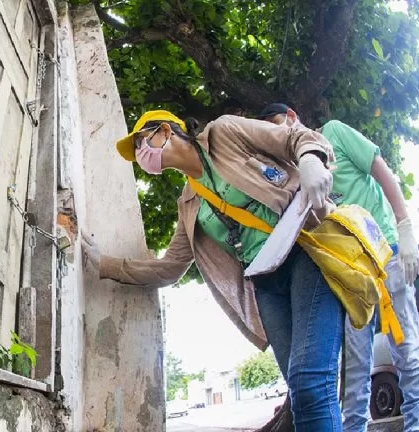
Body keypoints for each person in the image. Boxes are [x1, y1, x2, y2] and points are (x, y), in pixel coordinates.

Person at [81, 109, 344, 430]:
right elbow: (169, 268)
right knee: (299, 389)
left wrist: (311, 160)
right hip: (265, 283)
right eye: (136, 152)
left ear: (165, 131)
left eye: (141, 142)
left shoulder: (224, 133)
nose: (140, 155)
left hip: (305, 250)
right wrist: (105, 264)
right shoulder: (189, 201)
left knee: (310, 380)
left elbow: (294, 137)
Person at [259, 103, 419, 432]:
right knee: (357, 366)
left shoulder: (333, 133)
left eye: (279, 126)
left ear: (292, 117)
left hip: (384, 253)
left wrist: (404, 230)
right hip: (349, 271)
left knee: (407, 353)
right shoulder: (295, 177)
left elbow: (381, 169)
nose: (279, 136)